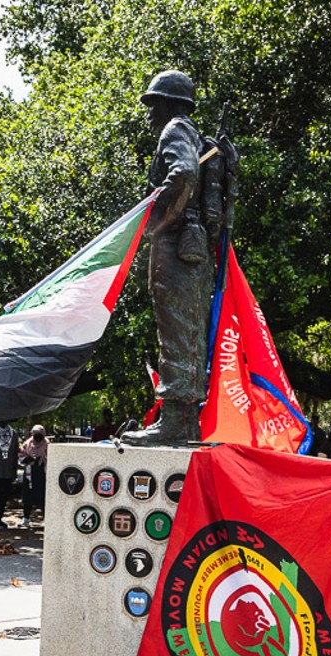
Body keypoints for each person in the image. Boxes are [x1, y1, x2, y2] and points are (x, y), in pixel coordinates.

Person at [120, 70, 217, 445]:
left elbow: (184, 174)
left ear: (171, 103)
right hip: (192, 248)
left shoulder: (175, 129)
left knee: (175, 331)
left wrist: (155, 220)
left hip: (176, 245)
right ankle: (186, 422)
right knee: (188, 331)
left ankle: (175, 421)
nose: (149, 113)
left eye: (153, 103)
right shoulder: (192, 133)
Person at [19, 424, 49, 527]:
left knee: (43, 496)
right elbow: (21, 458)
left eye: (40, 435)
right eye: (36, 435)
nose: (38, 438)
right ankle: (26, 518)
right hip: (29, 472)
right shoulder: (27, 444)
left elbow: (51, 457)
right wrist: (29, 459)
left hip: (42, 473)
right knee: (28, 496)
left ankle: (46, 519)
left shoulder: (47, 444)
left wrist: (42, 459)